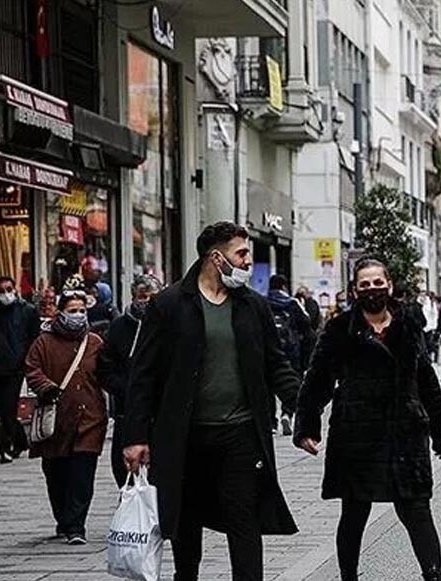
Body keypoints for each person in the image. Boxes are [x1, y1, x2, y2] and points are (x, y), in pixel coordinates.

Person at [122, 221, 300, 581]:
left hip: (240, 435)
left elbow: (275, 363)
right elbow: (143, 374)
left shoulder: (253, 306)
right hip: (185, 437)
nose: (248, 261)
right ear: (217, 258)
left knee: (244, 521)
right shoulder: (170, 304)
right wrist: (136, 435)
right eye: (242, 253)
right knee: (186, 527)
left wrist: (304, 406)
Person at [294, 258, 441, 581]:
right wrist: (307, 427)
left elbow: (425, 379)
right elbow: (318, 380)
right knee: (354, 512)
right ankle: (348, 576)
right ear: (355, 290)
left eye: (378, 283)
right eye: (364, 285)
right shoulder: (340, 329)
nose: (372, 290)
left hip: (404, 433)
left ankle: (434, 575)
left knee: (417, 510)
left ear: (390, 285)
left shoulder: (408, 324)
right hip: (357, 433)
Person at [25, 279, 107, 545]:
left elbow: (108, 373)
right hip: (56, 421)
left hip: (89, 420)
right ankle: (63, 518)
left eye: (81, 310)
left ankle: (76, 526)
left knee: (82, 475)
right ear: (61, 312)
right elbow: (31, 369)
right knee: (57, 474)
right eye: (72, 310)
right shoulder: (43, 342)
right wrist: (46, 387)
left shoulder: (94, 342)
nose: (78, 315)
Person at [99, 275, 162, 487]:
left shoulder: (169, 324)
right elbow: (105, 368)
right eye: (143, 297)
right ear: (134, 297)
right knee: (125, 470)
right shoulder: (118, 327)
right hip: (127, 411)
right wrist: (126, 388)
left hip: (161, 412)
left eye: (152, 297)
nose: (147, 302)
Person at [0, 275, 40, 462]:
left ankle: (6, 446)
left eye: (8, 289)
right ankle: (20, 441)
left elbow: (34, 338)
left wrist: (29, 362)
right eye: (1, 291)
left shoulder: (27, 311)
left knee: (9, 407)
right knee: (3, 409)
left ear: (15, 289)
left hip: (16, 368)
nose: (5, 294)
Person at [268, 274, 317, 436]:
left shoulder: (261, 301)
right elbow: (307, 323)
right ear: (284, 286)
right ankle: (286, 413)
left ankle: (271, 422)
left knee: (268, 384)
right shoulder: (292, 302)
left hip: (269, 349)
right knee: (290, 379)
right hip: (291, 348)